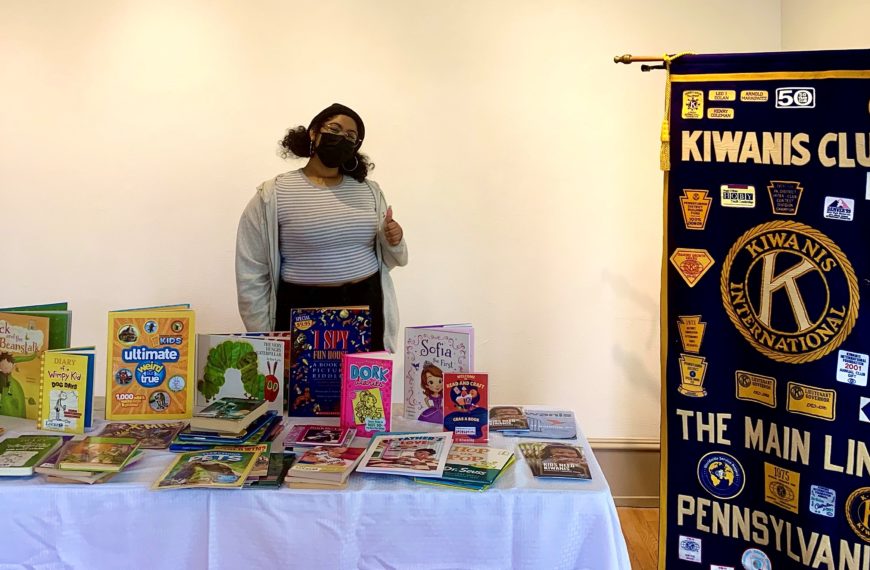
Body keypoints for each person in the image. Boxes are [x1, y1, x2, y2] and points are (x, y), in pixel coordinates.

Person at [236, 103, 408, 352]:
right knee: (305, 390)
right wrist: (265, 337)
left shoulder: (369, 190)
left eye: (351, 136)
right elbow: (251, 269)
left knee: (364, 390)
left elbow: (390, 259)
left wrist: (394, 238)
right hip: (302, 311)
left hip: (366, 305)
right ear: (313, 133)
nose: (342, 139)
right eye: (334, 129)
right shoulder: (273, 194)